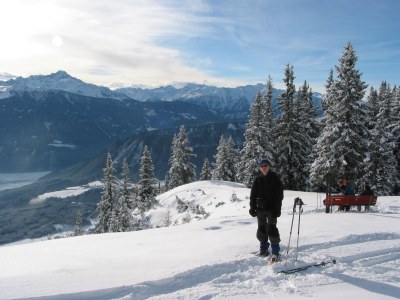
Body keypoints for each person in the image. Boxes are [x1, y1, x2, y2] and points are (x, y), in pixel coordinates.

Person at [249, 159, 284, 262]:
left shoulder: (275, 178)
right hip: (260, 209)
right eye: (262, 166)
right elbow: (253, 195)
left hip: (272, 210)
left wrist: (277, 209)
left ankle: (275, 252)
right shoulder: (258, 180)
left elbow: (279, 196)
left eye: (265, 165)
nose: (264, 167)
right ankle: (264, 249)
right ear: (260, 168)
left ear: (269, 166)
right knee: (262, 229)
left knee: (272, 229)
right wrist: (252, 207)